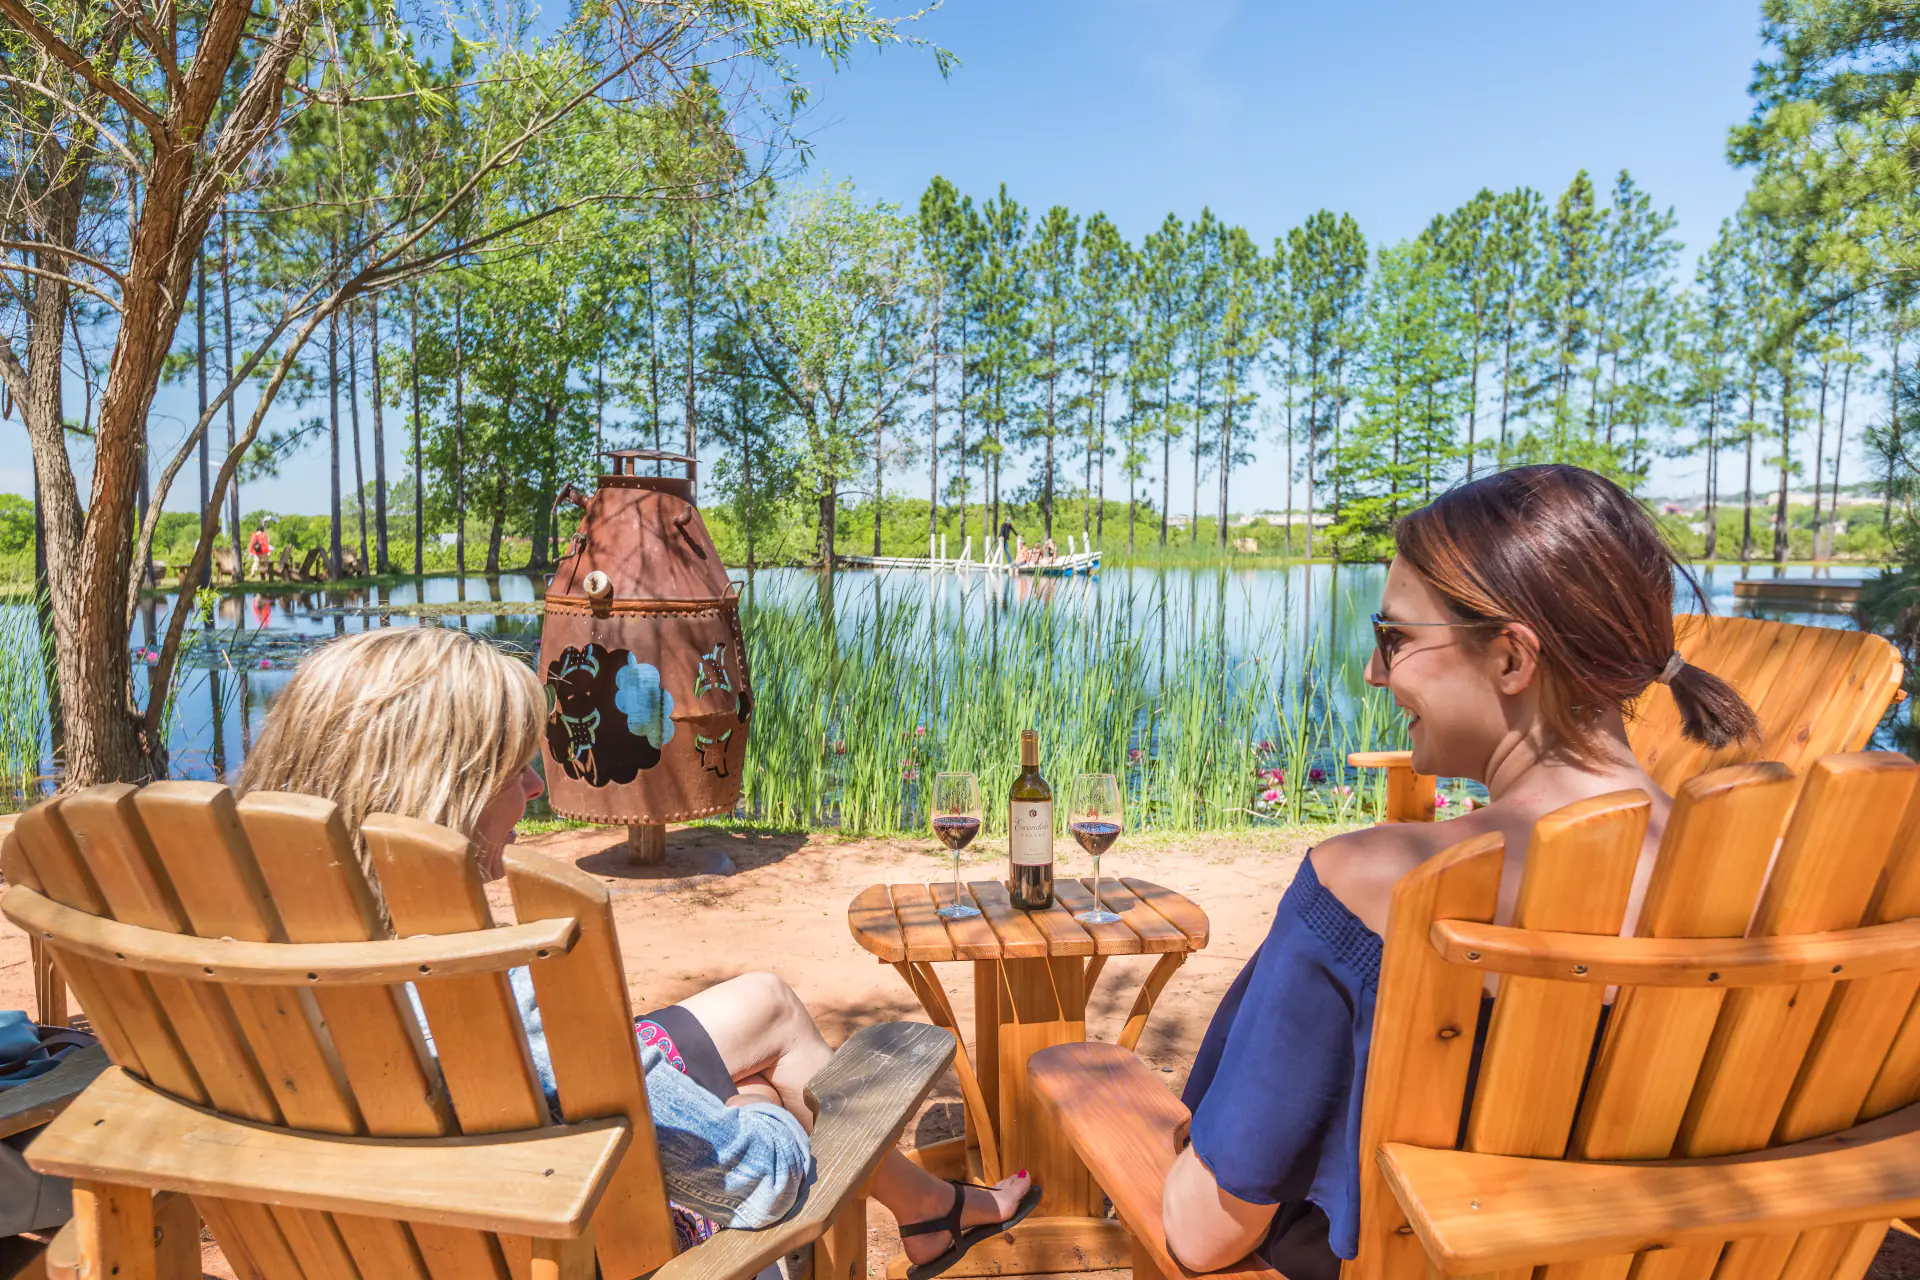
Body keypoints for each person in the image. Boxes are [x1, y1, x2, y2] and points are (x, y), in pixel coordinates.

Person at [237, 627, 1036, 1272]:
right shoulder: (475, 990)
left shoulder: (242, 943)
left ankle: (925, 1206)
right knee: (767, 1097)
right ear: (436, 792)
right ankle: (931, 1209)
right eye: (513, 771)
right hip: (569, 1240)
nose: (535, 790)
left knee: (765, 1001)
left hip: (377, 1226)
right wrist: (751, 1111)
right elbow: (758, 1180)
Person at [1161, 465, 1758, 1278]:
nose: (1375, 674)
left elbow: (1206, 1236)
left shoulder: (1370, 884)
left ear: (1511, 657)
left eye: (1395, 639)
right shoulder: (1774, 889)